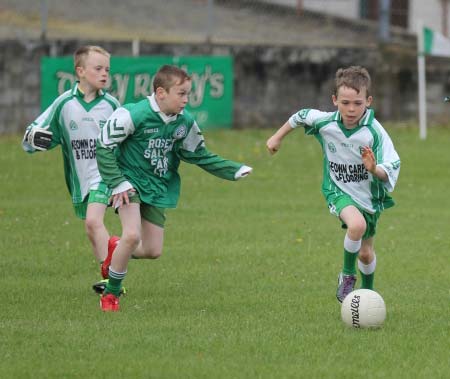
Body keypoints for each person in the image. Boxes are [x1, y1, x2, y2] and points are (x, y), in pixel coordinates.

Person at [96, 64, 252, 311]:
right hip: (129, 182)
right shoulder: (133, 114)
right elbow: (104, 146)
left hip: (158, 186)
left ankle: (116, 249)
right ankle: (111, 295)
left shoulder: (185, 122)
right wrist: (117, 182)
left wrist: (232, 169)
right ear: (160, 93)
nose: (186, 100)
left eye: (188, 94)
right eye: (181, 94)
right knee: (133, 234)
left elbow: (198, 154)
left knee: (152, 250)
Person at [266, 66, 400, 303]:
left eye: (357, 103)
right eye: (345, 102)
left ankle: (367, 294)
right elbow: (301, 116)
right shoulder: (326, 122)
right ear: (334, 100)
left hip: (369, 197)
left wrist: (373, 168)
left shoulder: (375, 132)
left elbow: (392, 165)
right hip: (337, 189)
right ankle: (347, 276)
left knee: (366, 254)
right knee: (356, 225)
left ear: (368, 101)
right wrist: (277, 137)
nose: (351, 109)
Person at [22, 45, 121, 289]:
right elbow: (33, 136)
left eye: (107, 69)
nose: (104, 74)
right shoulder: (64, 104)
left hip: (106, 176)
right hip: (80, 180)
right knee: (91, 229)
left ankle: (114, 280)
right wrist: (34, 139)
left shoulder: (112, 105)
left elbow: (127, 140)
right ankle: (112, 272)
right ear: (80, 72)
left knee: (92, 222)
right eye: (98, 68)